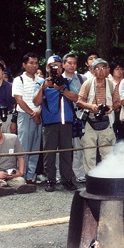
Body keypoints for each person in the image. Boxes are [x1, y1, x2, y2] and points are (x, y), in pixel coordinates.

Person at [33, 55, 79, 192]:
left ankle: (67, 179)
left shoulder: (67, 81)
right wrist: (43, 87)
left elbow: (76, 98)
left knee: (66, 152)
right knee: (49, 153)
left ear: (62, 67)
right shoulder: (41, 82)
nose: (55, 68)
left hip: (66, 122)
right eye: (52, 66)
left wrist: (62, 89)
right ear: (47, 68)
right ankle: (50, 180)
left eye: (58, 65)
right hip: (49, 123)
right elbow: (36, 102)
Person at [77, 58, 120, 173]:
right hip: (90, 121)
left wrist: (112, 108)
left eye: (104, 68)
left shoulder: (112, 84)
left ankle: (108, 176)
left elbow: (117, 102)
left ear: (107, 70)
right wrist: (91, 107)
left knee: (108, 152)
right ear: (92, 71)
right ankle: (91, 177)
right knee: (89, 152)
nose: (101, 71)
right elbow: (79, 102)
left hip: (107, 120)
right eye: (97, 68)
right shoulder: (87, 83)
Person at [12, 52, 43, 184]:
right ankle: (22, 176)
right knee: (24, 147)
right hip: (25, 116)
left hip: (38, 116)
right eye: (31, 63)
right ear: (24, 65)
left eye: (36, 63)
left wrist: (38, 113)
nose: (34, 66)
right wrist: (32, 114)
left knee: (35, 148)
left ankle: (31, 176)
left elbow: (44, 100)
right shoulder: (19, 80)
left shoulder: (41, 80)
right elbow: (19, 100)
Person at [61, 53, 87, 183]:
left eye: (74, 63)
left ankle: (79, 173)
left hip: (80, 114)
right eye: (69, 63)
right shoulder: (59, 79)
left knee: (79, 146)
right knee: (62, 146)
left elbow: (87, 95)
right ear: (63, 64)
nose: (72, 66)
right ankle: (60, 175)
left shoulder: (83, 78)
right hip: (64, 116)